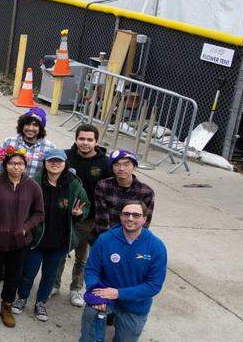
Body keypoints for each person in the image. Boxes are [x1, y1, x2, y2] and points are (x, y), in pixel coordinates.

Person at [68, 199, 167, 342]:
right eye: (126, 214)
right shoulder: (106, 239)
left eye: (136, 215)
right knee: (91, 310)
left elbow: (153, 285)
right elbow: (92, 269)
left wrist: (119, 293)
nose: (130, 218)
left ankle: (119, 327)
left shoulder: (156, 246)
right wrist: (97, 293)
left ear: (144, 219)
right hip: (106, 295)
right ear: (120, 216)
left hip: (135, 304)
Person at [15, 149, 89, 321]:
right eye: (51, 161)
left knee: (50, 274)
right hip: (36, 239)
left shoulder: (74, 184)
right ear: (45, 163)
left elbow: (85, 205)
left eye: (59, 161)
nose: (55, 164)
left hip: (59, 241)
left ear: (65, 164)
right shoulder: (34, 183)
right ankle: (22, 298)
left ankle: (41, 303)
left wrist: (80, 213)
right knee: (28, 272)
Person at [0, 146, 45, 328]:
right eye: (12, 163)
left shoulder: (33, 186)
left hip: (20, 241)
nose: (16, 167)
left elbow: (39, 213)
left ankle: (6, 307)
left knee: (13, 275)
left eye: (20, 164)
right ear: (5, 165)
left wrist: (25, 228)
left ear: (25, 165)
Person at [61, 124, 112, 305]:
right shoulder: (65, 156)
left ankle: (76, 289)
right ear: (76, 139)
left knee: (82, 257)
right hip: (64, 216)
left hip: (88, 220)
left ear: (96, 142)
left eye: (89, 139)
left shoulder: (105, 163)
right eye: (81, 138)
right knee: (60, 253)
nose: (85, 143)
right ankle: (53, 284)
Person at [93, 149, 156, 240]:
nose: (121, 168)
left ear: (134, 167)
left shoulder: (146, 192)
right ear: (112, 168)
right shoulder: (103, 186)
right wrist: (108, 241)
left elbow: (144, 222)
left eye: (126, 164)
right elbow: (101, 220)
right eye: (116, 165)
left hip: (132, 239)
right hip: (104, 237)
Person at [0, 108, 56, 180]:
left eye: (35, 125)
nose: (30, 128)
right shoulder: (9, 142)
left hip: (35, 188)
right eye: (27, 124)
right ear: (22, 125)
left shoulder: (50, 148)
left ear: (40, 128)